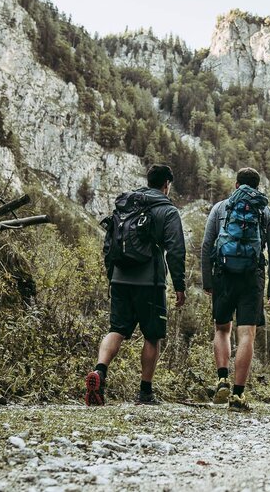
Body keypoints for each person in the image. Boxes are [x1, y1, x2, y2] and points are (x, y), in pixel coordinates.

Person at [85, 164, 186, 406]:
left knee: (116, 329)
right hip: (149, 283)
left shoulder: (127, 203)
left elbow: (109, 243)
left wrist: (112, 277)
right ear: (166, 185)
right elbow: (176, 250)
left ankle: (99, 372)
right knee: (152, 336)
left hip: (120, 277)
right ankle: (145, 393)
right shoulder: (167, 210)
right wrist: (179, 285)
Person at [201, 167, 270, 412]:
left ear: (236, 185)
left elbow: (206, 245)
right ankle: (237, 395)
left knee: (222, 328)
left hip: (223, 274)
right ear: (257, 187)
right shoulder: (265, 211)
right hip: (251, 277)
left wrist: (208, 282)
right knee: (247, 334)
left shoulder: (220, 208)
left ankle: (222, 377)